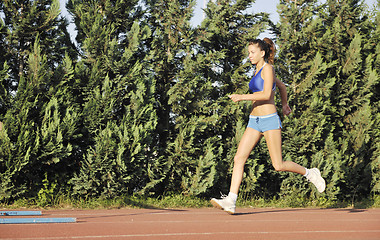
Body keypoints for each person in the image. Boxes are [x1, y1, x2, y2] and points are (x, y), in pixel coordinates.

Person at [210, 38, 325, 215]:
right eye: (248, 53)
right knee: (239, 158)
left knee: (278, 165)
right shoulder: (258, 70)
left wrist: (242, 97)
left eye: (252, 52)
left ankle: (310, 173)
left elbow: (264, 94)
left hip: (269, 120)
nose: (249, 55)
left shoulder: (268, 69)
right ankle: (231, 200)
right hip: (254, 121)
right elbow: (281, 86)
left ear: (262, 53)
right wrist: (285, 104)